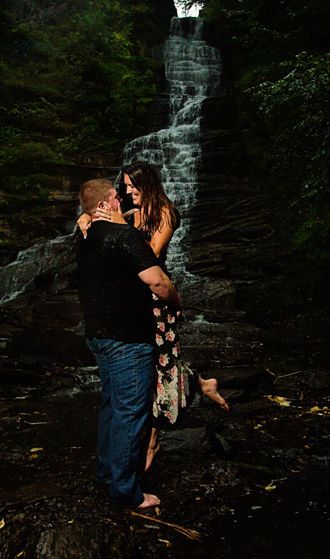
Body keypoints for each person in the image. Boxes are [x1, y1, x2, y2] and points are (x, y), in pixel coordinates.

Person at [79, 161, 228, 472]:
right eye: (126, 187)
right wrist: (88, 217)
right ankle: (201, 384)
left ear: (148, 184)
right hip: (132, 300)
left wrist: (118, 223)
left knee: (159, 366)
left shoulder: (166, 213)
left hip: (157, 298)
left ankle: (152, 441)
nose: (128, 191)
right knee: (155, 364)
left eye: (134, 186)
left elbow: (152, 253)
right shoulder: (131, 214)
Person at [76, 178, 181, 509]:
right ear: (106, 204)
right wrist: (176, 301)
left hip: (98, 335)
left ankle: (107, 473)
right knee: (131, 413)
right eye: (115, 195)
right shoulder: (123, 235)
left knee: (111, 405)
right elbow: (158, 281)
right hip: (128, 338)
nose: (120, 198)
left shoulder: (87, 237)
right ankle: (126, 492)